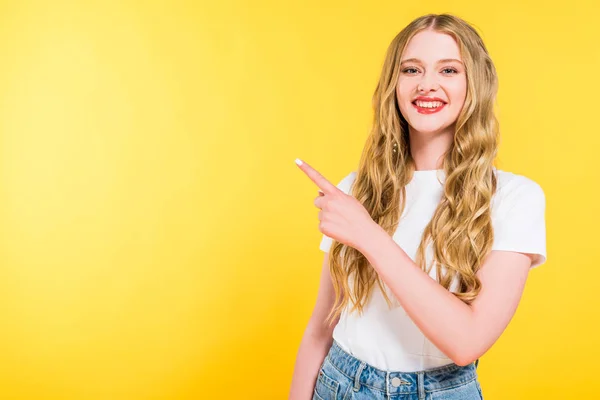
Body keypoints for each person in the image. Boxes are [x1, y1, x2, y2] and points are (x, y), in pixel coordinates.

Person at [289, 13, 547, 400]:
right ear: (394, 84)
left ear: (474, 84)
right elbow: (321, 328)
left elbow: (467, 342)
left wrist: (368, 235)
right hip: (338, 384)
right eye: (412, 69)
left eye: (448, 70)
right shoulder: (357, 189)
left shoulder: (514, 197)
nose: (427, 84)